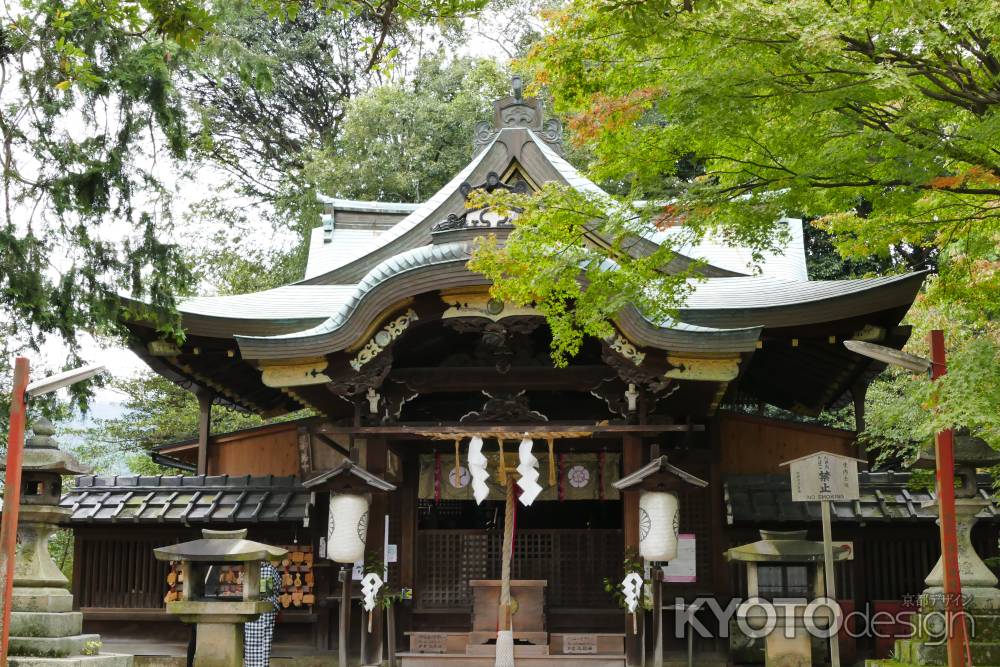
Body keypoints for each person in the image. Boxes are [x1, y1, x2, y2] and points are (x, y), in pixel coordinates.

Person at [244, 560, 282, 667]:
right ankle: (262, 664)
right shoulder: (271, 569)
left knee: (251, 640)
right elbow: (278, 587)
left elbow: (244, 587)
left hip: (251, 607)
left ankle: (251, 664)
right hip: (266, 607)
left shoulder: (249, 569)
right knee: (264, 640)